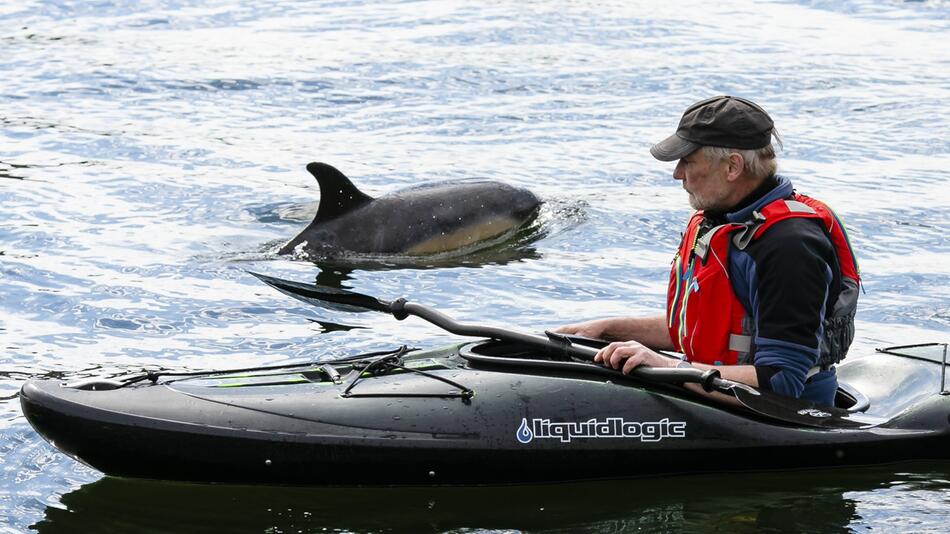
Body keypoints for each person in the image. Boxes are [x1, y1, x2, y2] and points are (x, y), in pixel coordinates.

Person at [556, 96, 860, 406]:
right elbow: (706, 325)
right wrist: (606, 330)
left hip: (781, 420)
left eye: (687, 160)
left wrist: (667, 366)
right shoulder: (726, 219)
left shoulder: (790, 247)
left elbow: (781, 382)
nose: (677, 173)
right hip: (712, 396)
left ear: (732, 166)